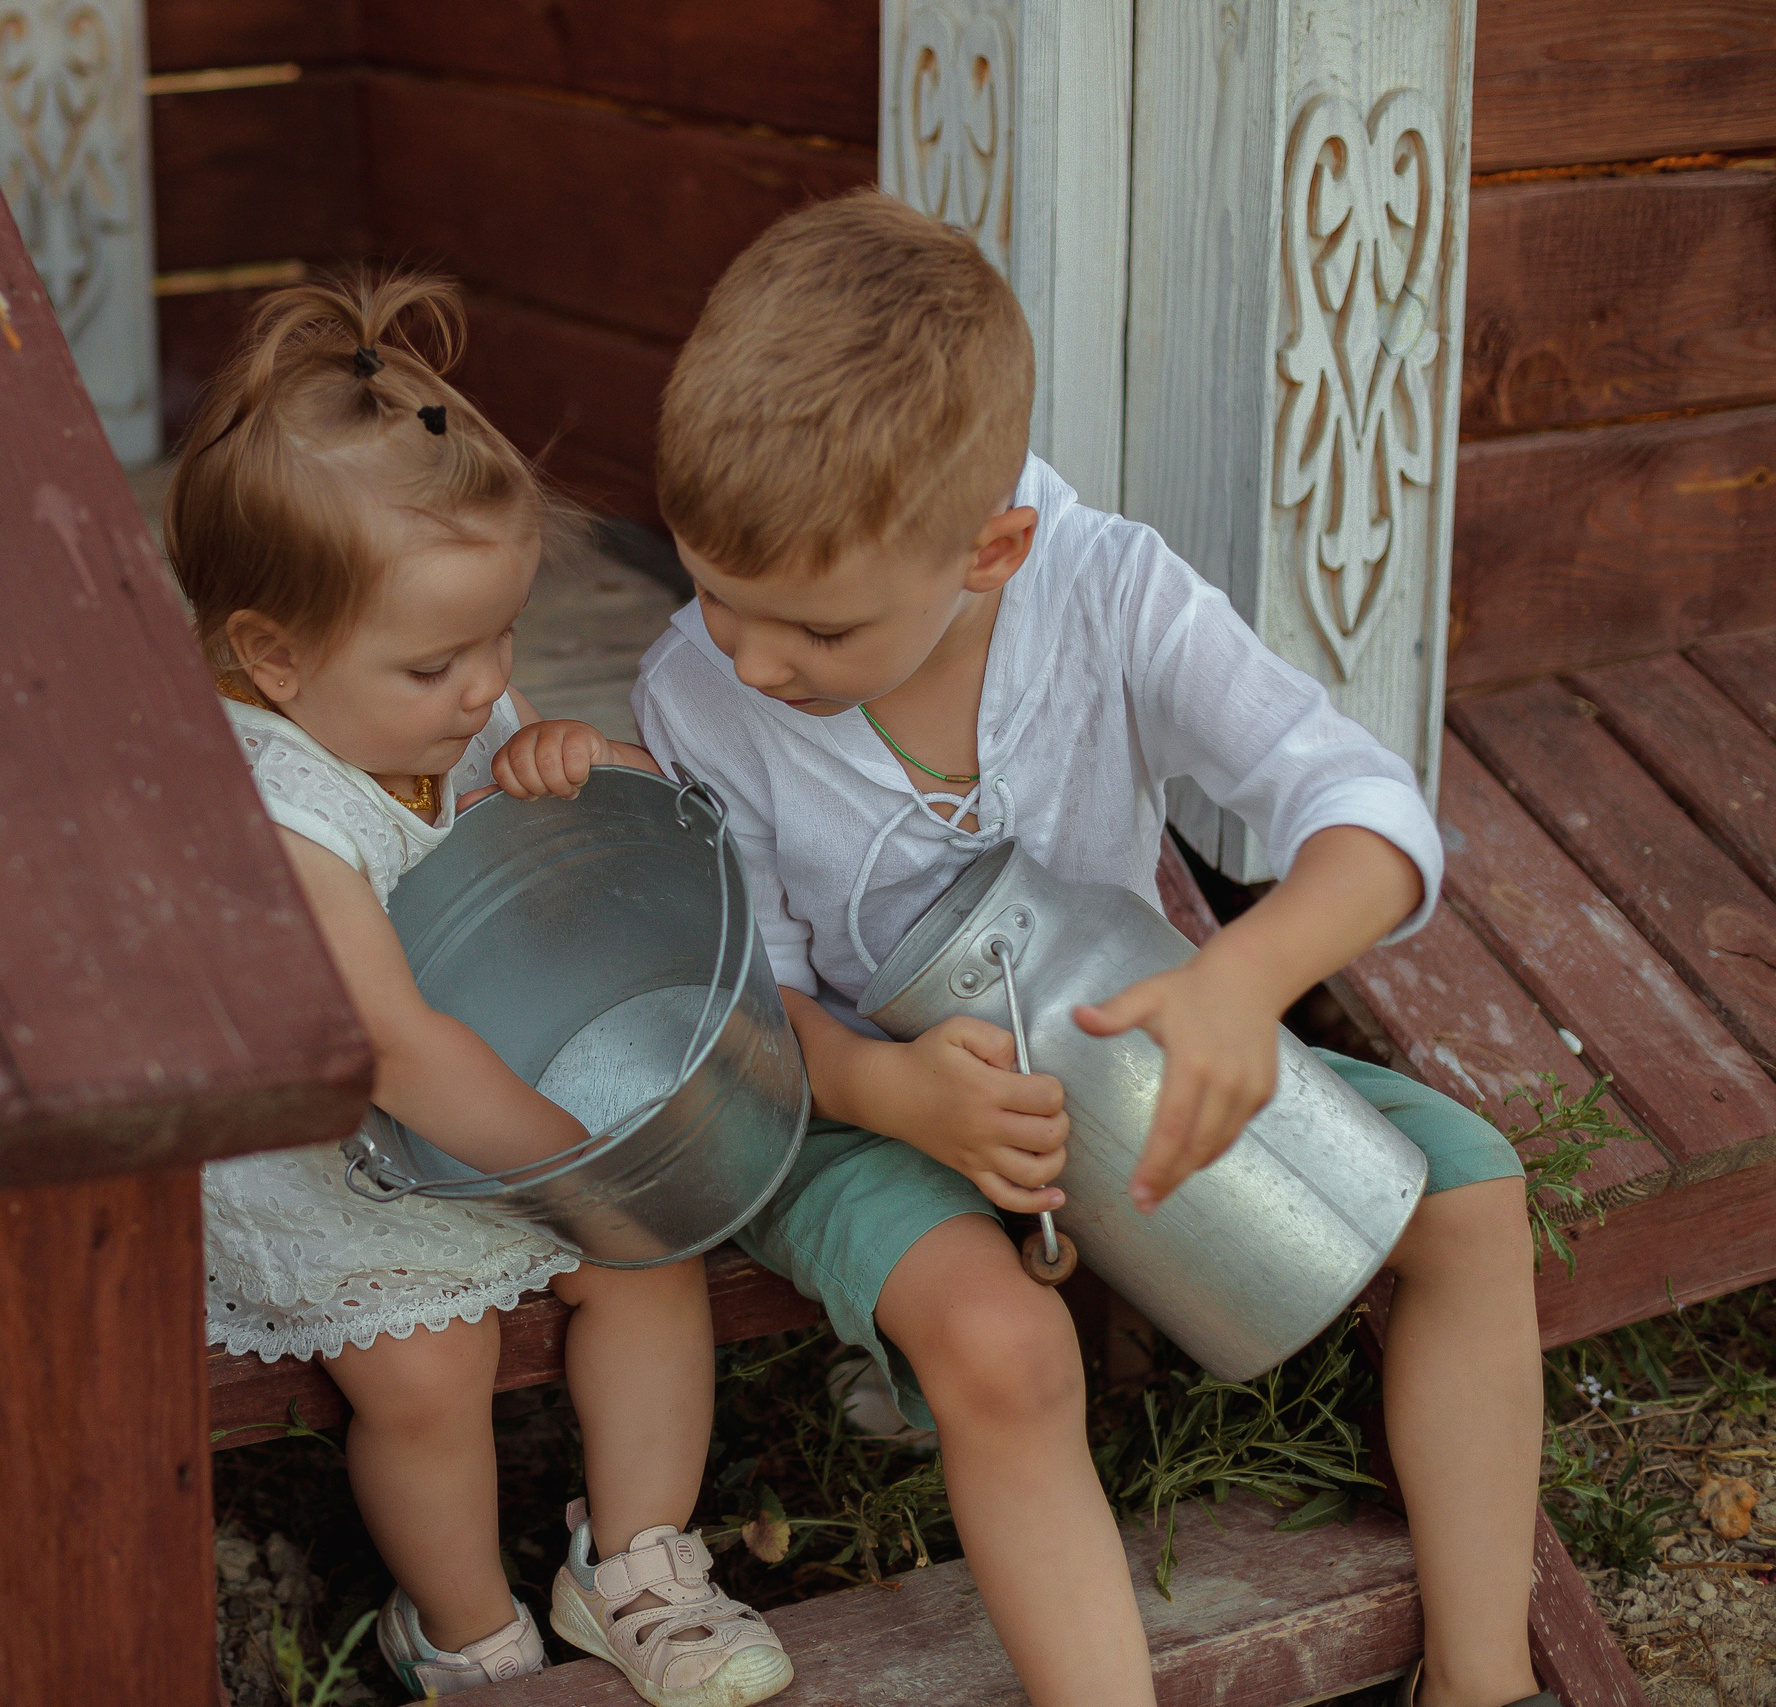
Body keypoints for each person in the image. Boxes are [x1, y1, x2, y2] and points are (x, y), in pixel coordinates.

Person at [491, 192, 1544, 1707]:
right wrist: (896, 1093)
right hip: (841, 1097)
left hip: (1105, 1038)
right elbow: (751, 997)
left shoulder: (1108, 594)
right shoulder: (701, 691)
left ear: (993, 550)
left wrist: (1244, 978)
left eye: (816, 630)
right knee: (1006, 1351)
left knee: (1469, 1199)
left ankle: (1483, 1679)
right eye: (717, 593)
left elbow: (1365, 805)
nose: (751, 658)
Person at [172, 271, 793, 1707]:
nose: (482, 687)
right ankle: (465, 1639)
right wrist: (579, 1166)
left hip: (487, 1106)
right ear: (272, 656)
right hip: (333, 1158)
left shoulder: (434, 705)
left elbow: (599, 836)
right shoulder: (280, 803)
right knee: (429, 1369)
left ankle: (635, 1562)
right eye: (440, 660)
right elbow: (386, 1046)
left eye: (504, 639)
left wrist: (578, 763)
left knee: (650, 1269)